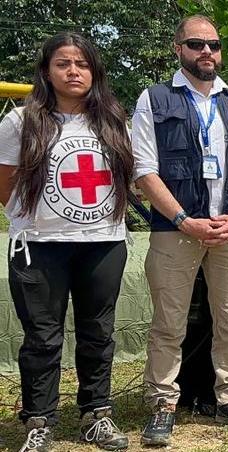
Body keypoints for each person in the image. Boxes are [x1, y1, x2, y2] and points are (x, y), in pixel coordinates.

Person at [131, 15, 228, 446]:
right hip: (176, 231)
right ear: (178, 49)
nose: (206, 51)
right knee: (169, 324)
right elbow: (144, 171)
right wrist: (181, 219)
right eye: (196, 44)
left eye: (213, 44)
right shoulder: (154, 99)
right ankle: (163, 403)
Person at [0, 32, 133, 452]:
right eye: (63, 63)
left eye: (82, 63)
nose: (73, 71)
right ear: (46, 71)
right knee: (42, 337)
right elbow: (4, 184)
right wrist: (35, 218)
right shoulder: (20, 121)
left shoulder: (112, 120)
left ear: (94, 71)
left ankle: (96, 413)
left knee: (99, 332)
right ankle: (39, 420)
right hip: (40, 244)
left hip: (103, 242)